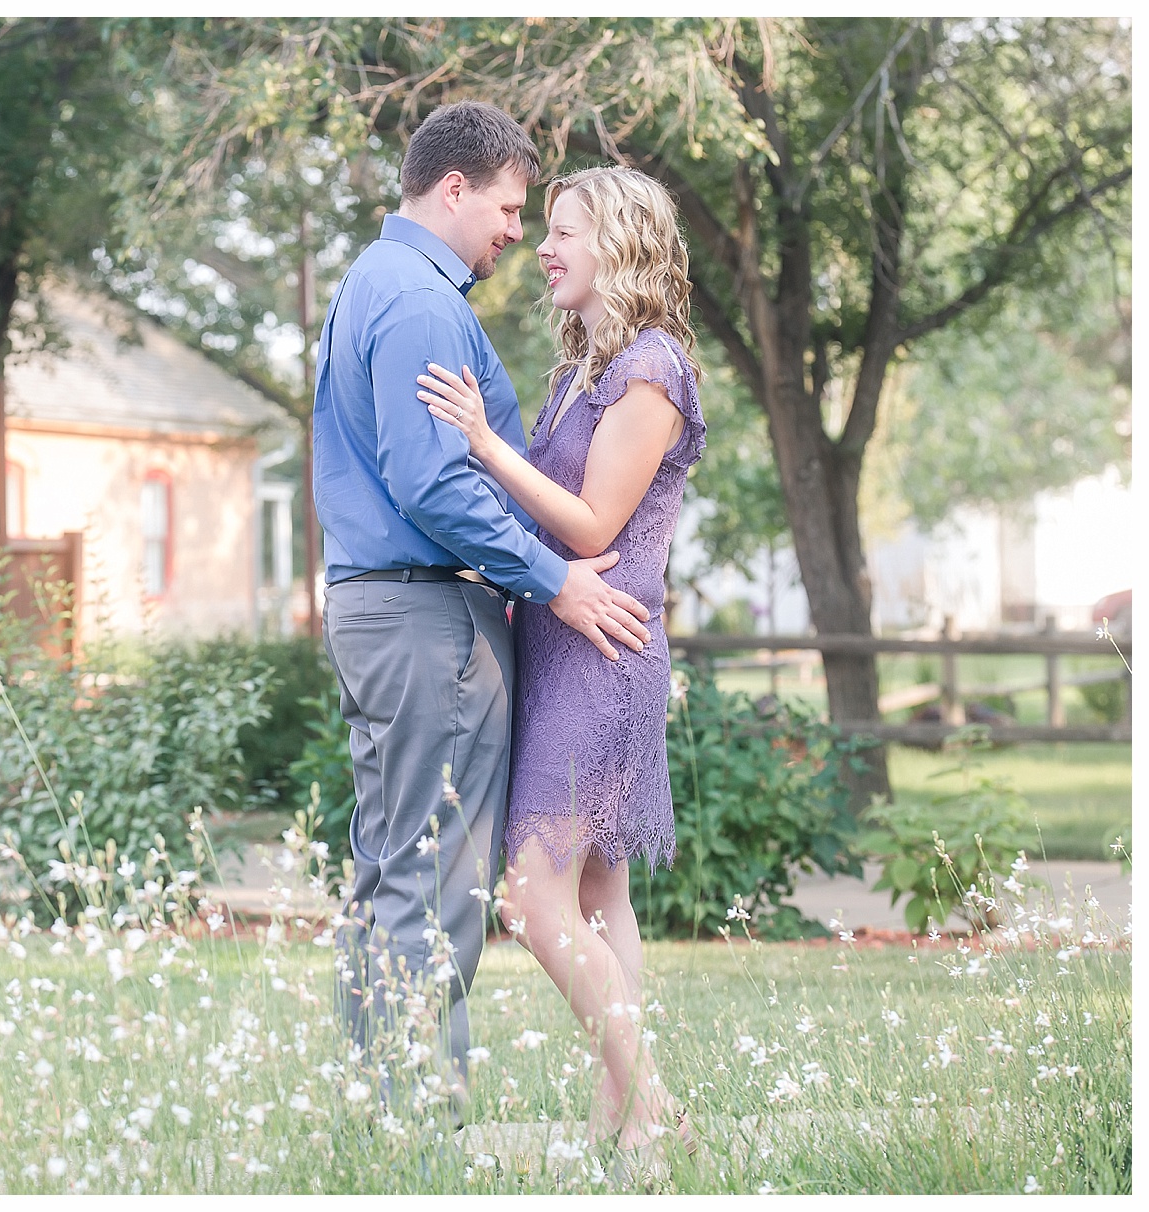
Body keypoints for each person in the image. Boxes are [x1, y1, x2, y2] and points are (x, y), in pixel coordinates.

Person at [313, 101, 651, 1124]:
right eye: (510, 208)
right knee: (435, 881)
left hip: (384, 611)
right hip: (425, 621)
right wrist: (555, 578)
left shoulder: (374, 284)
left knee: (390, 870)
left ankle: (380, 1115)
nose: (517, 231)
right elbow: (437, 490)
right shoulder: (416, 302)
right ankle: (418, 1129)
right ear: (452, 188)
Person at [415, 163, 707, 1176]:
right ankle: (623, 1126)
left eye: (564, 231)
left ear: (618, 243)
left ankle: (653, 1101)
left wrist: (484, 442)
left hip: (603, 655)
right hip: (559, 645)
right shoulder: (588, 368)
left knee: (533, 903)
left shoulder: (653, 369)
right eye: (539, 229)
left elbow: (591, 523)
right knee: (596, 901)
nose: (542, 247)